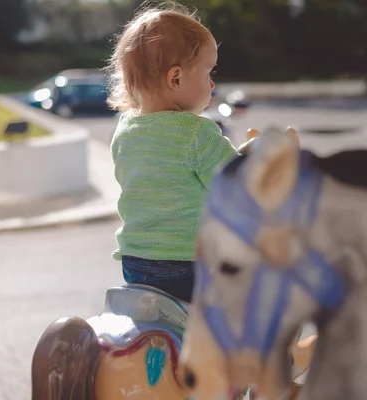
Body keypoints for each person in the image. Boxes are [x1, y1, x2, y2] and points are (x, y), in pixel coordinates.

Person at [105, 2, 241, 303]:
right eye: (208, 72)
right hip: (188, 264)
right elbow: (238, 183)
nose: (213, 83)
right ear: (175, 79)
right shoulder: (196, 133)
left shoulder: (126, 129)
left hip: (135, 264)